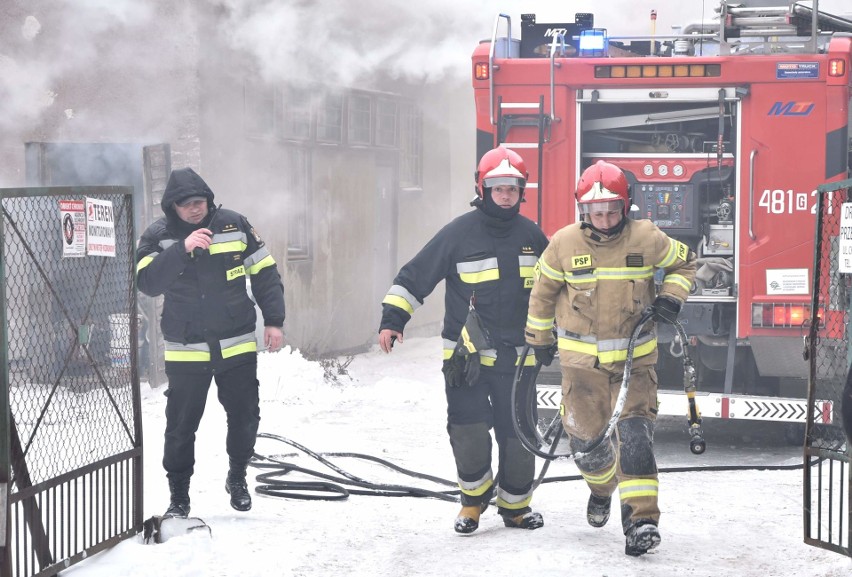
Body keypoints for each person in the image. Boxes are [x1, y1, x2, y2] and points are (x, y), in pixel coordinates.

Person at [524, 160, 696, 556]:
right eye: (596, 212)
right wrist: (538, 337)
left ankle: (641, 523)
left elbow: (686, 263)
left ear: (626, 206)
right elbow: (543, 294)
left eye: (612, 211)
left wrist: (671, 296)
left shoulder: (647, 237)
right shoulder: (563, 243)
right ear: (583, 211)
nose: (604, 219)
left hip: (636, 367)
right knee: (587, 448)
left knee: (636, 439)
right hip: (581, 371)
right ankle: (601, 490)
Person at [378, 146, 549, 534]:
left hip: (517, 360)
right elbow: (415, 275)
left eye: (512, 188)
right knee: (467, 430)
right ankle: (472, 503)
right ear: (482, 188)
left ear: (522, 192)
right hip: (465, 359)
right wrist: (393, 318)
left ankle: (516, 507)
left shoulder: (533, 237)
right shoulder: (459, 233)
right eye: (497, 188)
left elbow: (555, 290)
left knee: (519, 433)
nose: (505, 195)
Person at [136, 167, 285, 517]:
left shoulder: (234, 225)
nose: (194, 209)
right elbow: (147, 282)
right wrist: (182, 250)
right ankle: (179, 496)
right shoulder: (157, 237)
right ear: (172, 207)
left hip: (237, 343)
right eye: (186, 205)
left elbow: (265, 272)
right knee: (181, 426)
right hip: (187, 348)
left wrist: (274, 320)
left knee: (246, 417)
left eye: (199, 202)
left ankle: (237, 477)